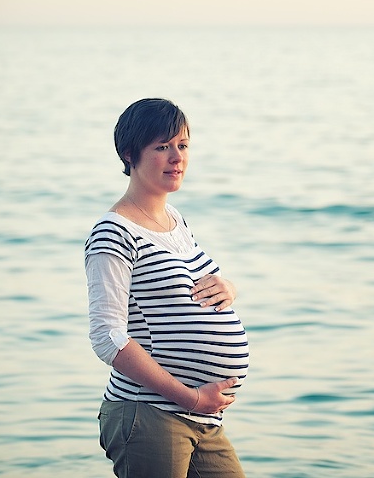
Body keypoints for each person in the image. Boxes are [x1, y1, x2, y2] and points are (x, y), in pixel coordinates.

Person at [85, 98, 249, 478]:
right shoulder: (113, 232)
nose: (176, 157)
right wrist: (190, 396)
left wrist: (229, 288)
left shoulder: (174, 218)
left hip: (202, 417)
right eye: (161, 147)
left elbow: (191, 289)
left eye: (182, 145)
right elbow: (107, 338)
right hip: (149, 413)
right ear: (130, 154)